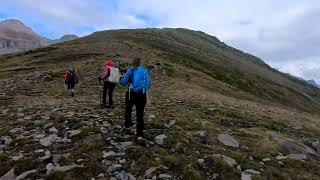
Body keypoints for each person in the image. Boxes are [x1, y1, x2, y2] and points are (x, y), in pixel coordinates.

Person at [120, 57, 151, 145]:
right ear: (140, 63)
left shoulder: (130, 70)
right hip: (142, 94)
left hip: (131, 94)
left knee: (128, 110)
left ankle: (127, 127)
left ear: (133, 63)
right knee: (140, 115)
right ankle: (140, 136)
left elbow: (123, 82)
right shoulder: (145, 71)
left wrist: (120, 78)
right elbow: (149, 83)